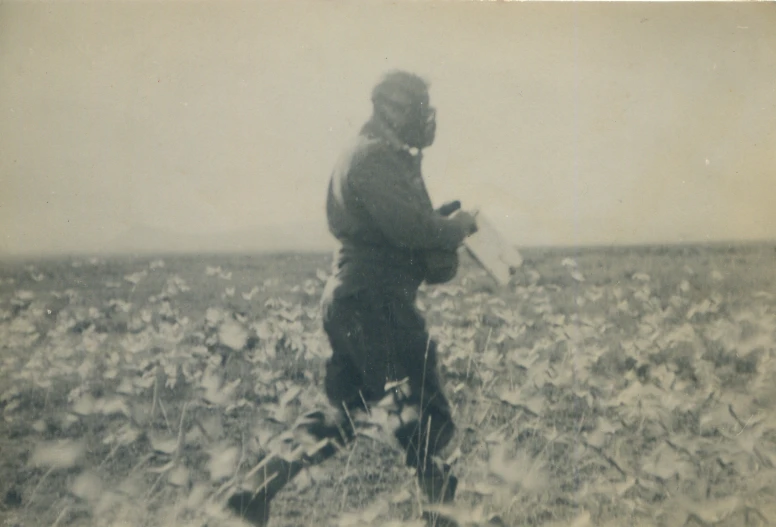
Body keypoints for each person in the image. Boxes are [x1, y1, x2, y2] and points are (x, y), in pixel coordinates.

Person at [227, 70, 479, 527]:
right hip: (375, 302)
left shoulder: (374, 156)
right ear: (394, 109)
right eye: (419, 107)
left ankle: (251, 494)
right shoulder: (374, 159)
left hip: (362, 299)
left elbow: (399, 228)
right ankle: (445, 516)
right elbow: (411, 230)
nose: (427, 118)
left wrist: (436, 225)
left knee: (345, 411)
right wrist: (455, 228)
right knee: (420, 409)